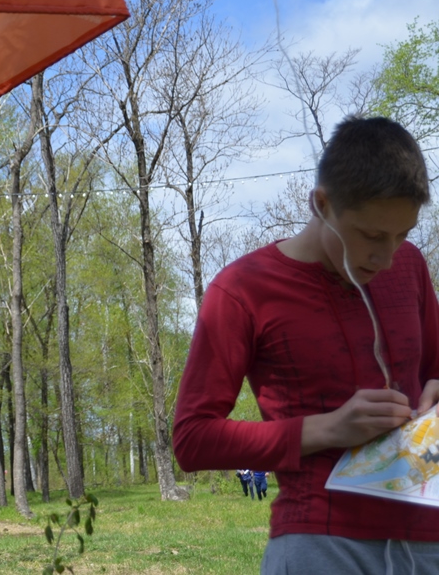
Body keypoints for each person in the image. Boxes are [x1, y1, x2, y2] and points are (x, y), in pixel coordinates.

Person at [173, 117, 439, 574]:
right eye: (372, 236)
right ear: (321, 204)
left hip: (429, 534)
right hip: (323, 542)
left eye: (403, 235)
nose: (386, 256)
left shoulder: (409, 266)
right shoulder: (243, 290)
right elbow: (193, 438)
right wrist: (328, 428)